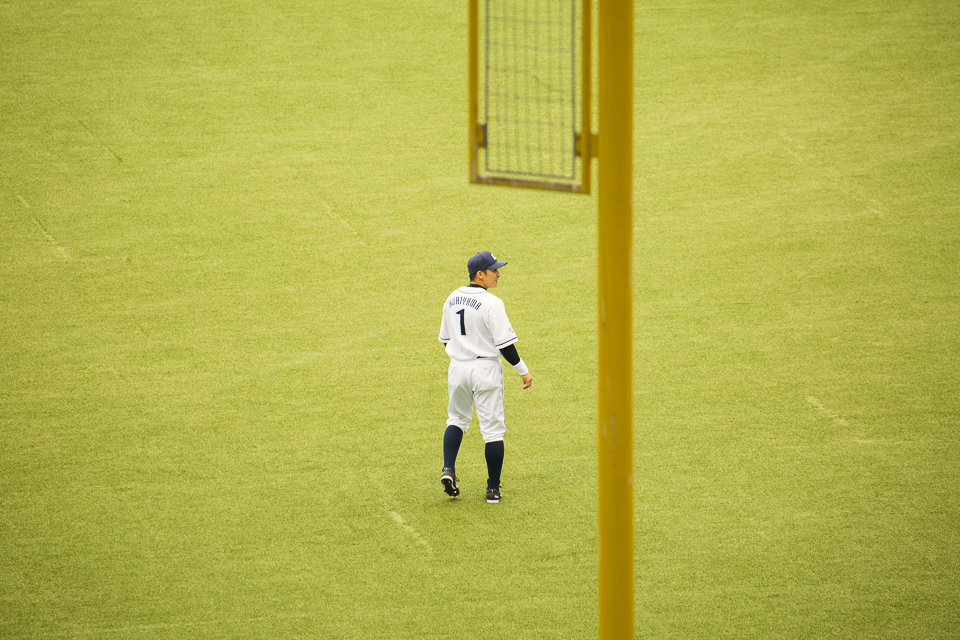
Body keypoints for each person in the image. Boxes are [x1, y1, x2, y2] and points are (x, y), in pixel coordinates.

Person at [438, 251, 533, 503]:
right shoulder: (492, 303)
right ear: (480, 274)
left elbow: (445, 339)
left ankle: (449, 469)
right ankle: (492, 489)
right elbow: (505, 346)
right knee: (492, 431)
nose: (499, 274)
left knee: (456, 419)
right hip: (485, 370)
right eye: (494, 270)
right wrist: (523, 371)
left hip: (457, 368)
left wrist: (461, 357)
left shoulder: (452, 298)